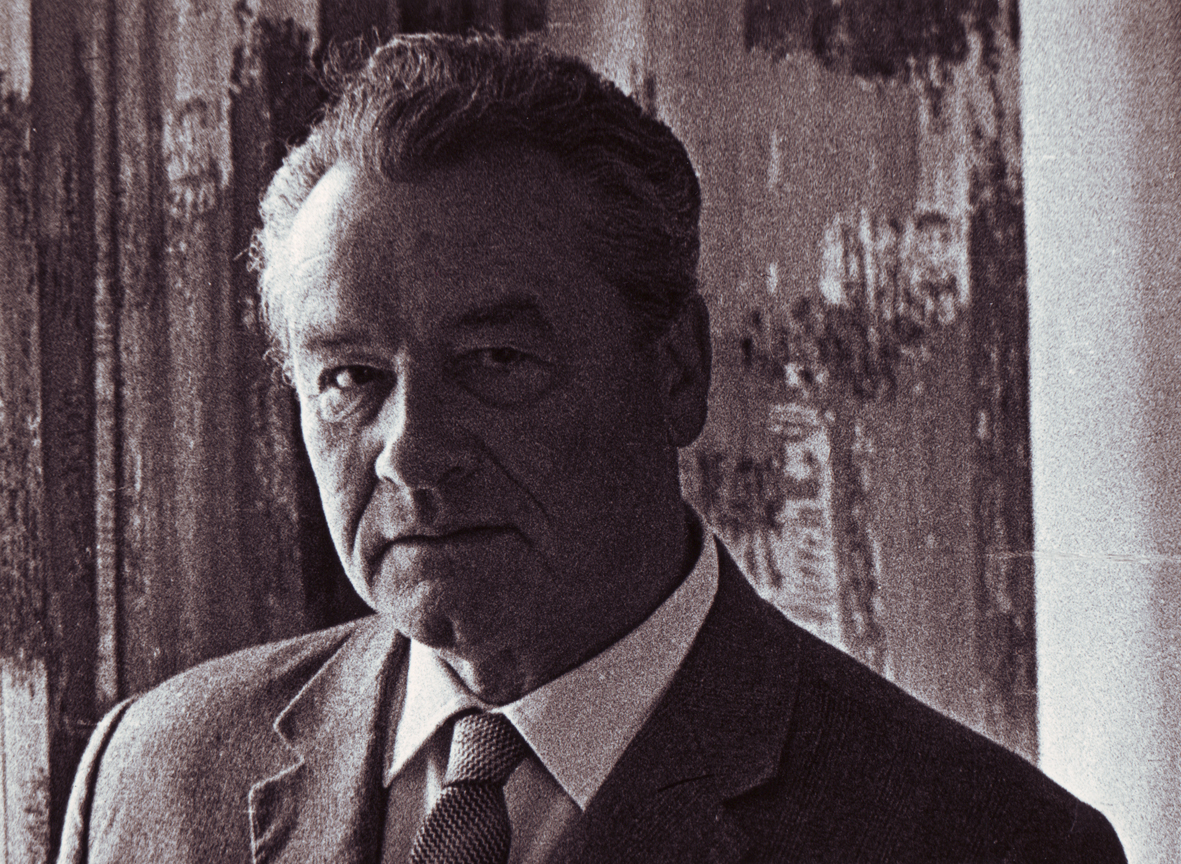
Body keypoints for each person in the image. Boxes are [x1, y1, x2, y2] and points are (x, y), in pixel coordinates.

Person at [57, 34, 1125, 864]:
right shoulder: (155, 777)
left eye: (495, 361)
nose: (410, 455)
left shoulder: (980, 842)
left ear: (675, 371)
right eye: (349, 378)